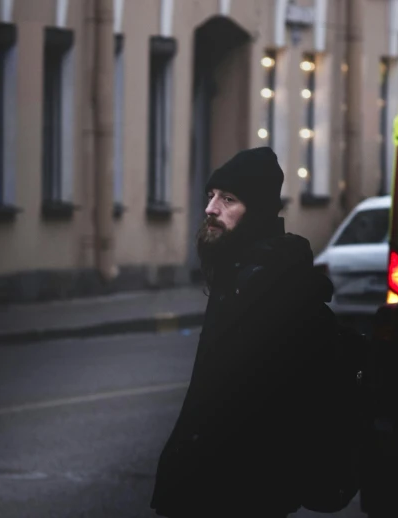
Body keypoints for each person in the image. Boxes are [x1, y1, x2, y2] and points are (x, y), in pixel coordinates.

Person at [150, 147, 339, 517]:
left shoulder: (273, 283)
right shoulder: (236, 273)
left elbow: (268, 412)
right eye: (211, 196)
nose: (210, 208)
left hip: (240, 494)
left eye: (228, 199)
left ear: (258, 211)